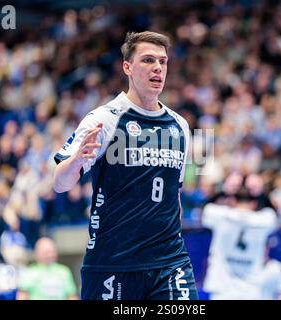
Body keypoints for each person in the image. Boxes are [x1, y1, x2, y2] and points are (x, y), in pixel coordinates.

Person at [53, 31, 198, 300]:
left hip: (169, 262)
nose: (157, 67)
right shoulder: (105, 119)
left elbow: (173, 196)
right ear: (127, 67)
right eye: (148, 60)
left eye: (163, 62)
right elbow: (60, 183)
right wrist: (76, 161)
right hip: (113, 262)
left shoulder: (179, 126)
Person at [202, 184, 281, 300]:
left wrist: (224, 190)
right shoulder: (264, 220)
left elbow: (206, 208)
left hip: (222, 292)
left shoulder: (220, 216)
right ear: (254, 203)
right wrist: (260, 191)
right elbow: (274, 213)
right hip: (251, 292)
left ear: (232, 201)